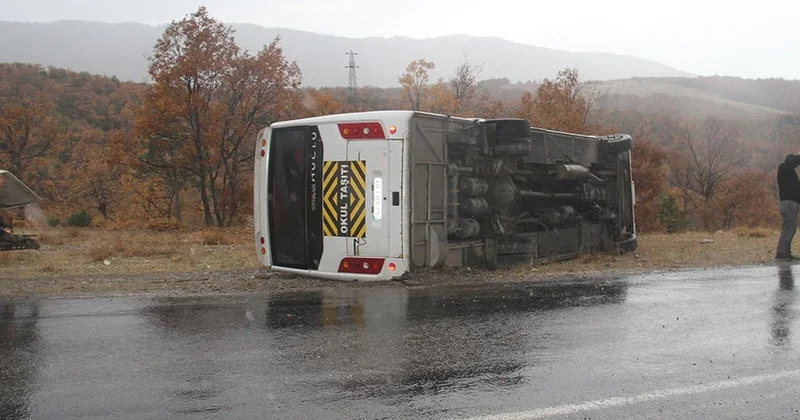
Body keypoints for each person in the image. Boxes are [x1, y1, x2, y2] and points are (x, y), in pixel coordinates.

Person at [775, 153, 800, 261]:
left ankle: (786, 253)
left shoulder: (787, 171)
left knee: (790, 229)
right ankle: (782, 254)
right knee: (788, 229)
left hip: (790, 203)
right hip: (789, 204)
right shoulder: (784, 168)